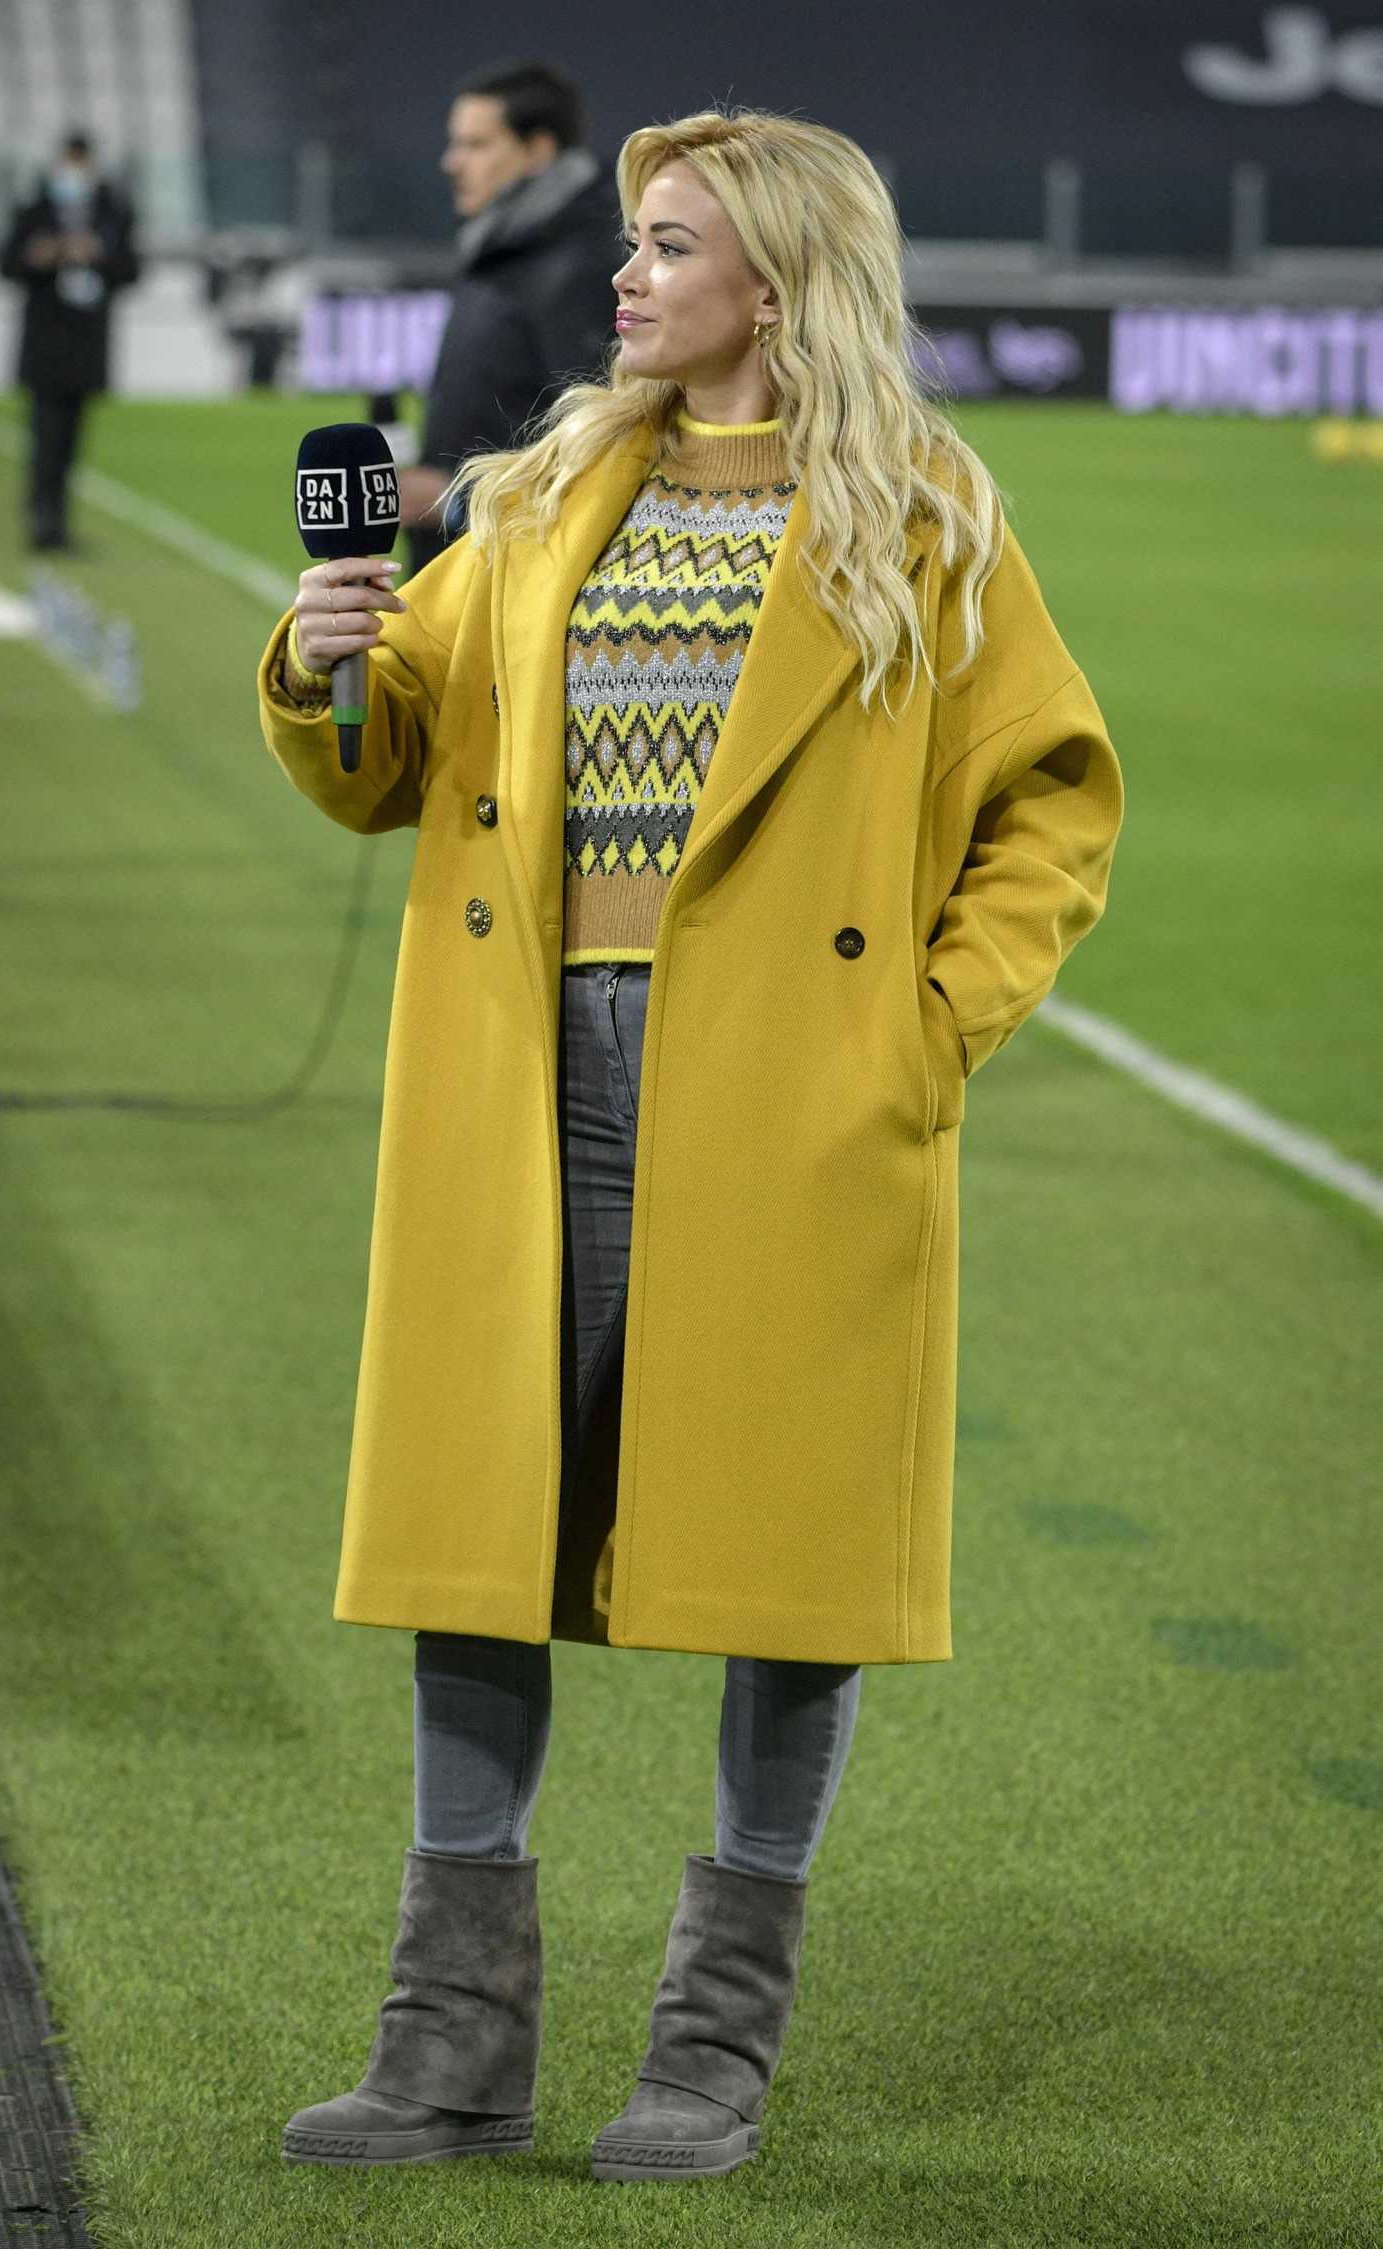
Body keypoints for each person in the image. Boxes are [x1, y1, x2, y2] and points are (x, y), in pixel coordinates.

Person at [255, 107, 1124, 2185]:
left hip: (792, 1097)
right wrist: (321, 661)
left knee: (785, 1561)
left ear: (778, 281)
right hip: (524, 1073)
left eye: (663, 248)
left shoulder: (924, 519)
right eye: (632, 245)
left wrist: (918, 1037)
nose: (627, 281)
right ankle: (446, 2047)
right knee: (479, 1545)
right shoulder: (544, 491)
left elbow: (1058, 801)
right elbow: (389, 769)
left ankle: (709, 2052)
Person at [398, 58, 621, 568]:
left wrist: (455, 503)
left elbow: (602, 446)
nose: (451, 163)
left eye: (475, 145)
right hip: (472, 568)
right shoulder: (504, 247)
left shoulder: (583, 267)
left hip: (519, 578)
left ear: (539, 151)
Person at [0, 132, 139, 551]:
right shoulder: (35, 208)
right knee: (44, 436)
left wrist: (97, 255)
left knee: (71, 439)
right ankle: (41, 521)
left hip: (85, 347)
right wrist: (38, 256)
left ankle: (58, 524)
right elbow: (6, 264)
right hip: (45, 345)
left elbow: (131, 269)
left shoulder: (111, 210)